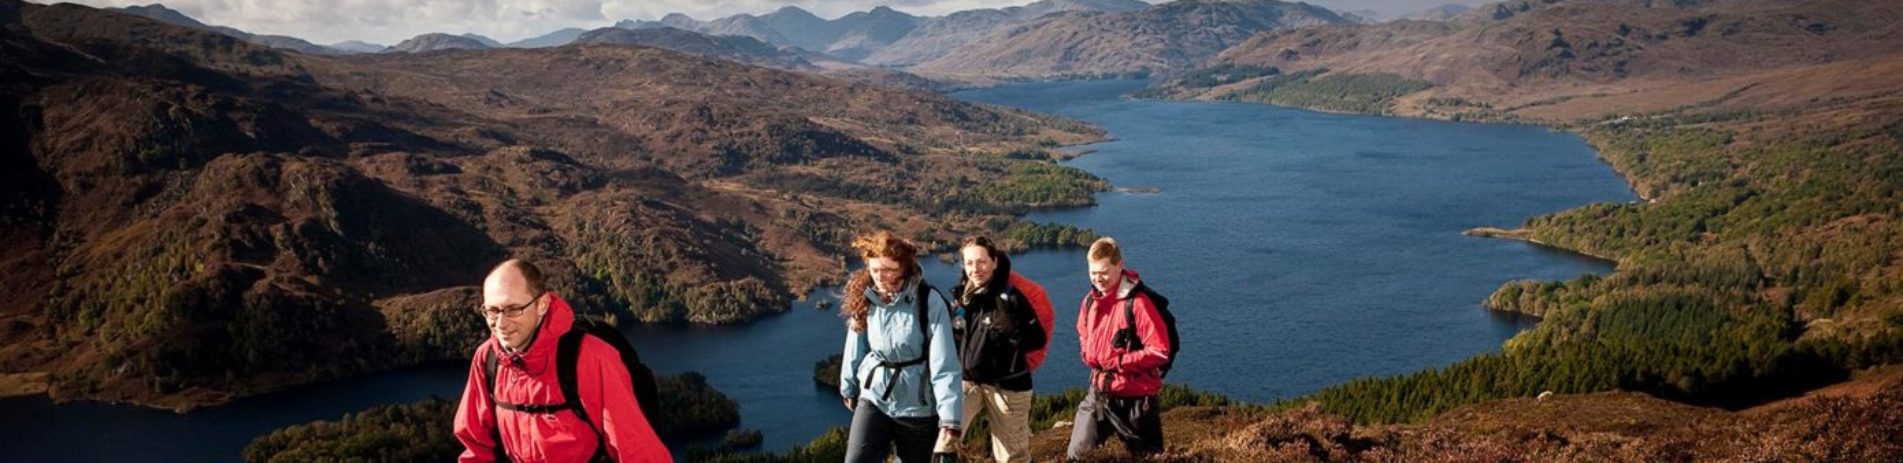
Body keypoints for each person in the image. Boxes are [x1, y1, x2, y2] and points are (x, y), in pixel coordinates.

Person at [453, 259, 671, 463]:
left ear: (542, 304)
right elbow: (476, 445)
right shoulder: (488, 359)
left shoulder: (590, 358)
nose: (500, 323)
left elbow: (636, 449)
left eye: (513, 309)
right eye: (492, 311)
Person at [839, 232, 963, 463]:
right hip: (874, 397)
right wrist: (848, 386)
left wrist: (949, 420)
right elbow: (856, 344)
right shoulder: (867, 297)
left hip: (918, 406)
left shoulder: (928, 301)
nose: (879, 277)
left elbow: (944, 364)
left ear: (904, 267)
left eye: (888, 270)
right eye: (874, 270)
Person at [1066, 238, 1170, 460]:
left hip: (1136, 399)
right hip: (1100, 394)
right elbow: (1083, 333)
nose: (1097, 278)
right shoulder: (1089, 302)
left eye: (1103, 272)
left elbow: (1160, 350)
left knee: (1148, 458)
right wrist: (1087, 353)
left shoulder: (1138, 303)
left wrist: (1120, 362)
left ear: (1119, 265)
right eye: (1093, 272)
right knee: (1077, 455)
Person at [951, 236, 1050, 463]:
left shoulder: (1011, 298)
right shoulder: (962, 297)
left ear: (994, 262)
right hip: (968, 382)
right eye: (969, 263)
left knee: (1011, 457)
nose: (975, 269)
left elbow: (1037, 339)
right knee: (943, 440)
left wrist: (1013, 330)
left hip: (1007, 388)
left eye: (982, 262)